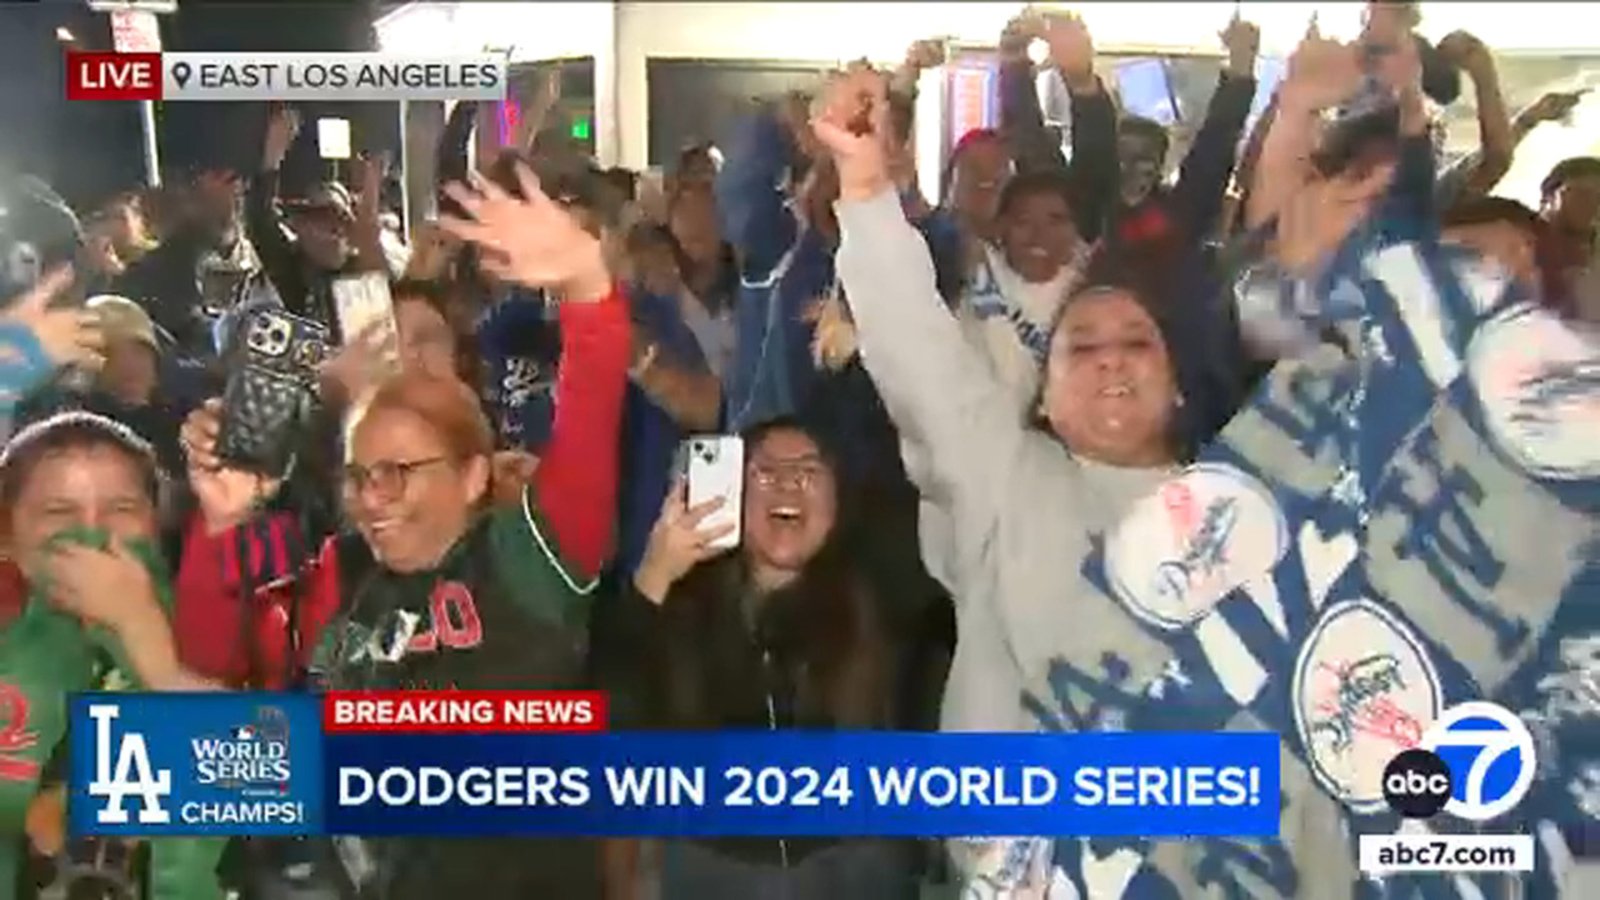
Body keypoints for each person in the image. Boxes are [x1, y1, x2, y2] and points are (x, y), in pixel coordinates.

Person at [110, 161, 632, 899]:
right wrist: (222, 528)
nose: (374, 498)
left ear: (474, 475)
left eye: (401, 470)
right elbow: (234, 732)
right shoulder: (338, 573)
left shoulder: (527, 562)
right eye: (359, 474)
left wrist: (585, 281)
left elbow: (590, 410)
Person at [606, 417, 916, 899]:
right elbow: (613, 713)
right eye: (763, 472)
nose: (787, 483)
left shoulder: (880, 586)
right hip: (714, 870)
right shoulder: (683, 603)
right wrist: (655, 574)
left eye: (808, 472)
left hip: (855, 868)